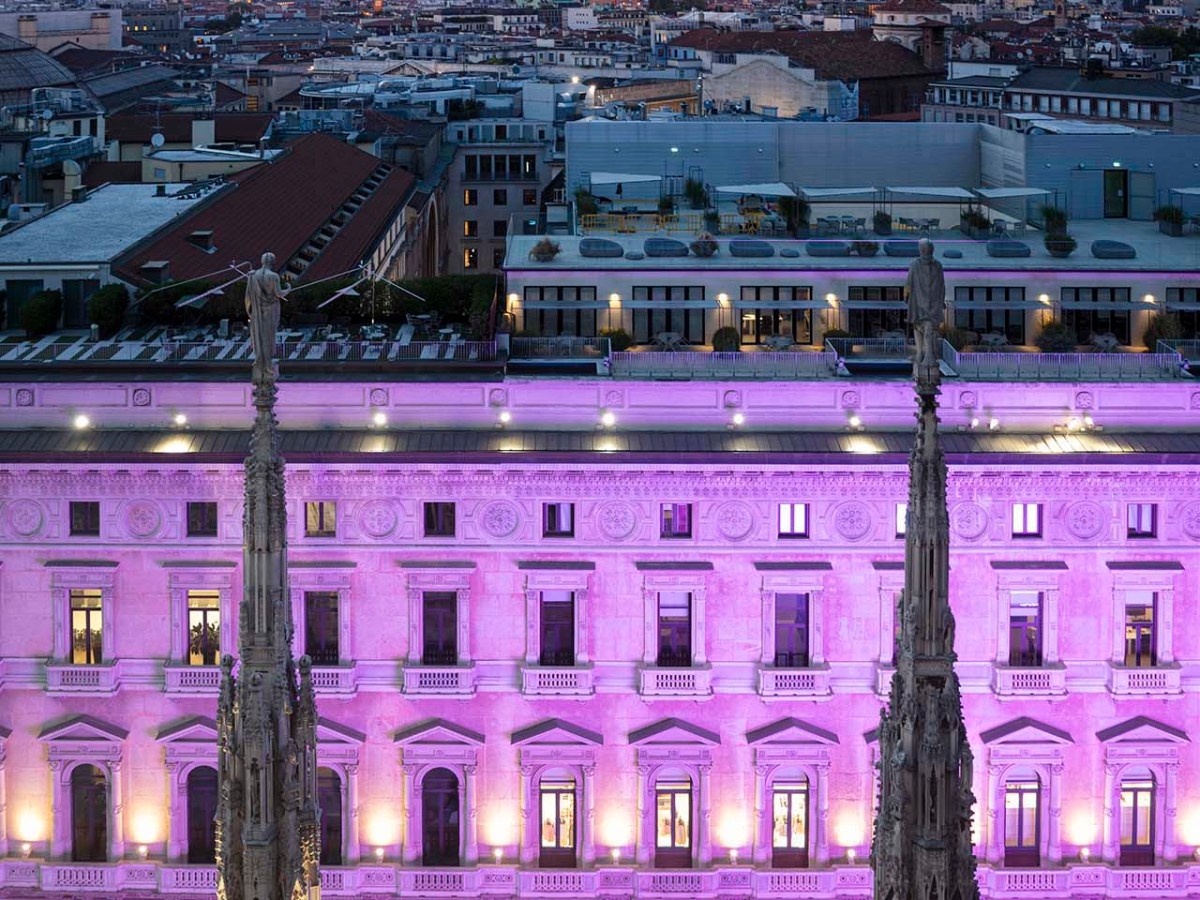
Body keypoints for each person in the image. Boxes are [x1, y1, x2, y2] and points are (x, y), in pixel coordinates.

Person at [905, 239, 946, 385]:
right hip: (933, 305)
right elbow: (942, 286)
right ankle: (923, 354)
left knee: (918, 327)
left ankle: (921, 353)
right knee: (928, 329)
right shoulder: (938, 266)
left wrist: (906, 297)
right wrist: (940, 301)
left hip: (919, 304)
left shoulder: (915, 265)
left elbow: (908, 284)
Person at [245, 252, 288, 380]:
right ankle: (267, 366)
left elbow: (249, 297)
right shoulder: (273, 276)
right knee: (268, 337)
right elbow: (279, 294)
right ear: (273, 262)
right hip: (270, 311)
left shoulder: (253, 276)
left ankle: (261, 364)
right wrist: (289, 289)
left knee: (260, 336)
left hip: (258, 312)